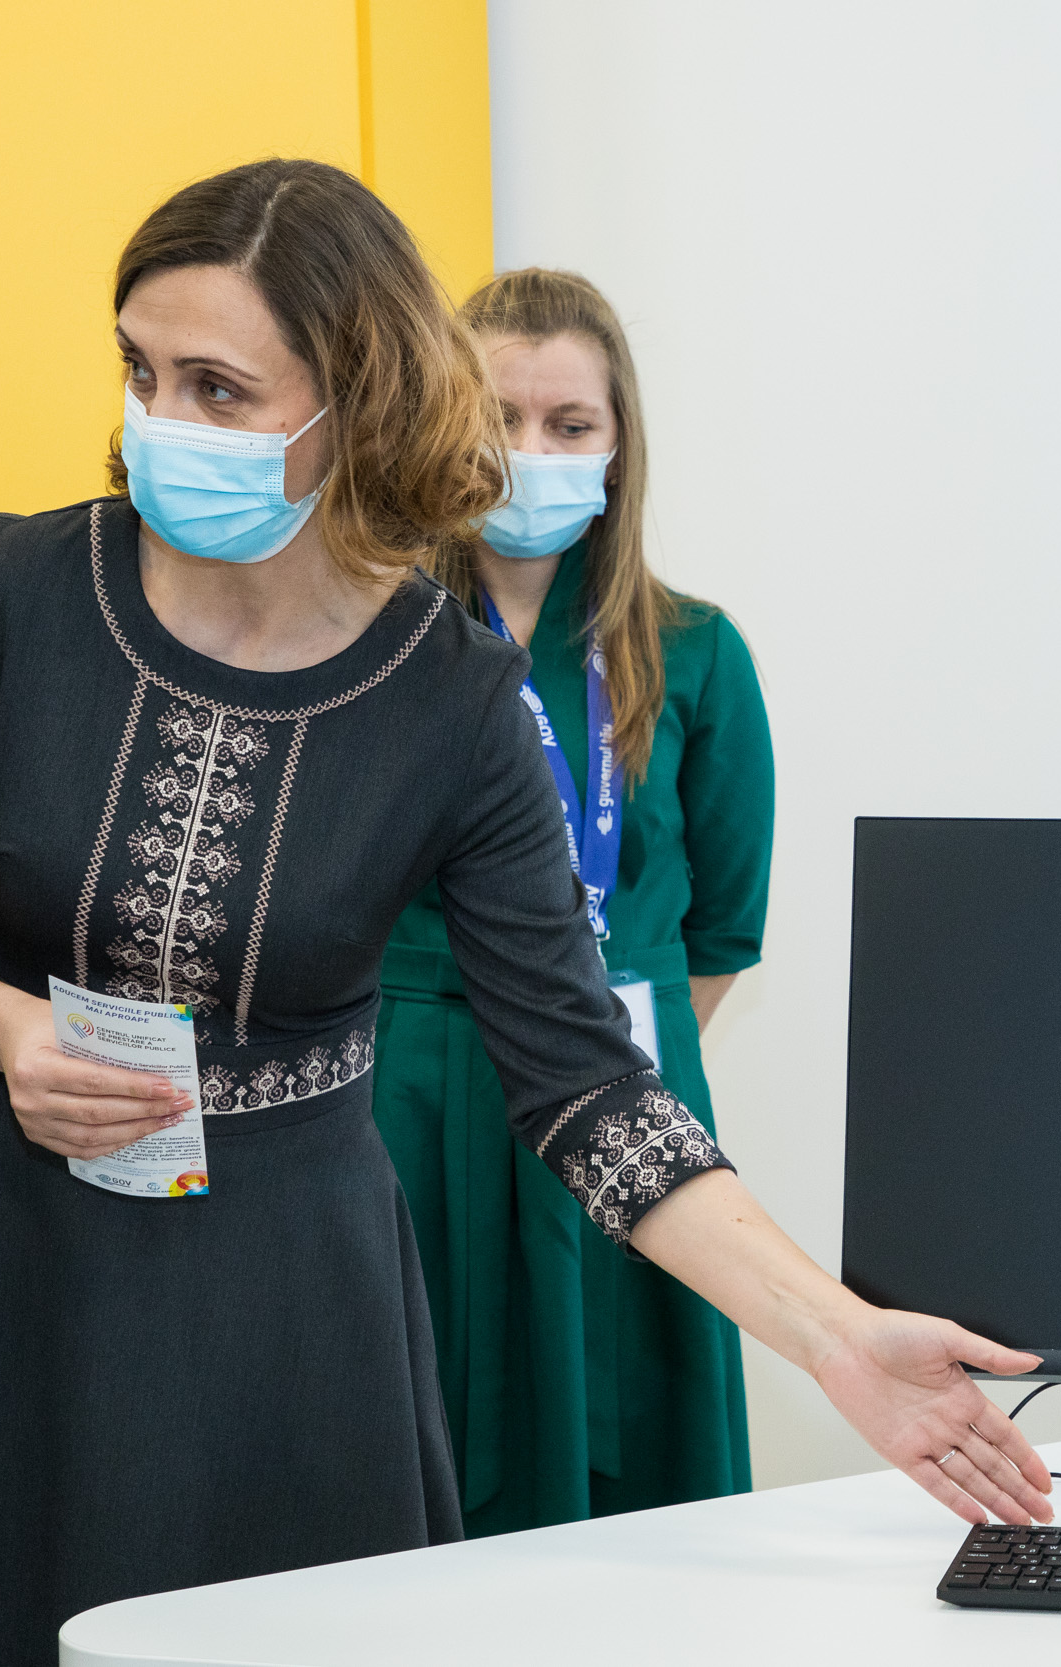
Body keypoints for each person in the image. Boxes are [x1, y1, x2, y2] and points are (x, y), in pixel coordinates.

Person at [0, 159, 1050, 1667]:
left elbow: (587, 1086)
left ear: (353, 402)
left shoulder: (450, 699)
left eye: (218, 388)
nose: (161, 421)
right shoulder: (22, 588)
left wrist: (837, 1334)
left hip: (288, 1308)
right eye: (140, 371)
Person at [374, 268, 770, 1535]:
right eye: (498, 417)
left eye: (569, 424)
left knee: (640, 1470)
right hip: (420, 1084)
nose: (529, 451)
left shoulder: (696, 649)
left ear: (616, 443)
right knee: (426, 1434)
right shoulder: (372, 637)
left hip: (631, 1080)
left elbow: (722, 928)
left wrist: (601, 1045)